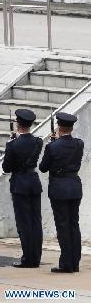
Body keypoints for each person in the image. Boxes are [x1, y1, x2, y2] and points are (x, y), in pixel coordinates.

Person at [39, 112, 84, 273]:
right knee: (73, 224)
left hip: (59, 189)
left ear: (59, 127)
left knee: (63, 226)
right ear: (71, 128)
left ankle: (66, 263)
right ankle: (75, 262)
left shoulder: (52, 147)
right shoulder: (79, 144)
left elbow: (43, 168)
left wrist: (52, 145)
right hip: (74, 187)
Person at [2, 109, 43, 269]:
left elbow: (6, 167)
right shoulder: (38, 142)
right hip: (33, 182)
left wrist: (11, 144)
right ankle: (36, 257)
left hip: (19, 184)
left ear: (18, 125)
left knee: (24, 223)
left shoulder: (13, 145)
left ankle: (28, 258)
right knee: (35, 221)